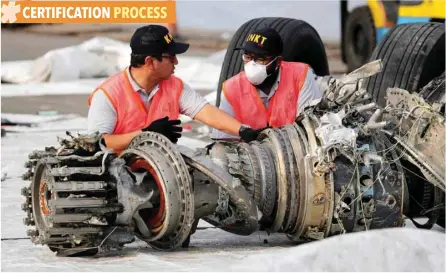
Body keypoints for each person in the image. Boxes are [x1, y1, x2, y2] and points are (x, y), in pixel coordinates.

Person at [87, 25, 266, 152]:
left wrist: (242, 130)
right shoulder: (108, 94)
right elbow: (99, 143)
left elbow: (207, 113)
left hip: (162, 169)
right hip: (120, 176)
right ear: (150, 61)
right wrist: (145, 134)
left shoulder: (174, 85)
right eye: (171, 57)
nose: (177, 62)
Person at [211, 27, 324, 140]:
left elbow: (311, 127)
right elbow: (223, 138)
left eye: (260, 59)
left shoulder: (300, 75)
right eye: (248, 57)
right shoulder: (232, 88)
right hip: (252, 155)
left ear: (278, 61)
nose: (252, 64)